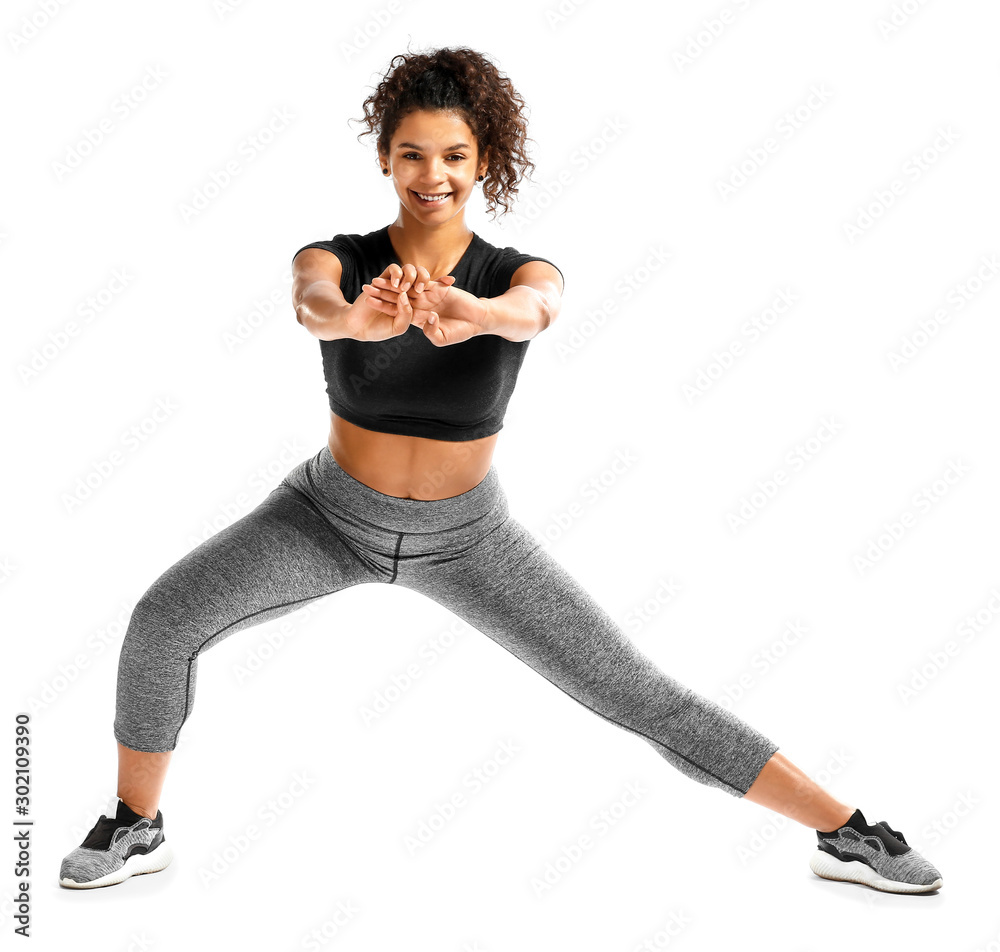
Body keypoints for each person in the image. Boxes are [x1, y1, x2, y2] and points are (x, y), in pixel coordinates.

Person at [59, 46, 942, 895]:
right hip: (327, 517)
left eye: (453, 154)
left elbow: (536, 310)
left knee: (633, 692)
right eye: (411, 154)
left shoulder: (516, 271)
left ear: (484, 160)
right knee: (164, 618)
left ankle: (847, 831)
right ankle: (137, 821)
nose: (431, 173)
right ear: (383, 158)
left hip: (467, 536)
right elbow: (311, 305)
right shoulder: (339, 258)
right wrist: (360, 324)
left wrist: (473, 313)